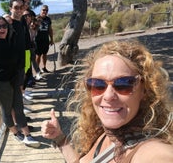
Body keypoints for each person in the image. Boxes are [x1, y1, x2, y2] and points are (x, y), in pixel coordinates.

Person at [41, 40, 173, 162]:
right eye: (98, 84)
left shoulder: (151, 152)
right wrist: (60, 138)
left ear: (144, 90)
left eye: (123, 84)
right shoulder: (102, 133)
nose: (108, 96)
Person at [0, 16, 40, 148]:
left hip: (14, 78)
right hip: (1, 82)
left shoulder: (10, 37)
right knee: (7, 109)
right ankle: (16, 133)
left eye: (4, 26)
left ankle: (27, 136)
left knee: (18, 107)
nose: (2, 28)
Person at [35, 5, 54, 73]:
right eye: (43, 10)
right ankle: (37, 70)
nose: (45, 11)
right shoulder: (36, 18)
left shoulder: (48, 19)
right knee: (38, 55)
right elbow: (32, 28)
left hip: (45, 39)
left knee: (45, 54)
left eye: (46, 10)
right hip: (37, 40)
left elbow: (50, 29)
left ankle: (44, 67)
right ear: (40, 10)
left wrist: (51, 39)